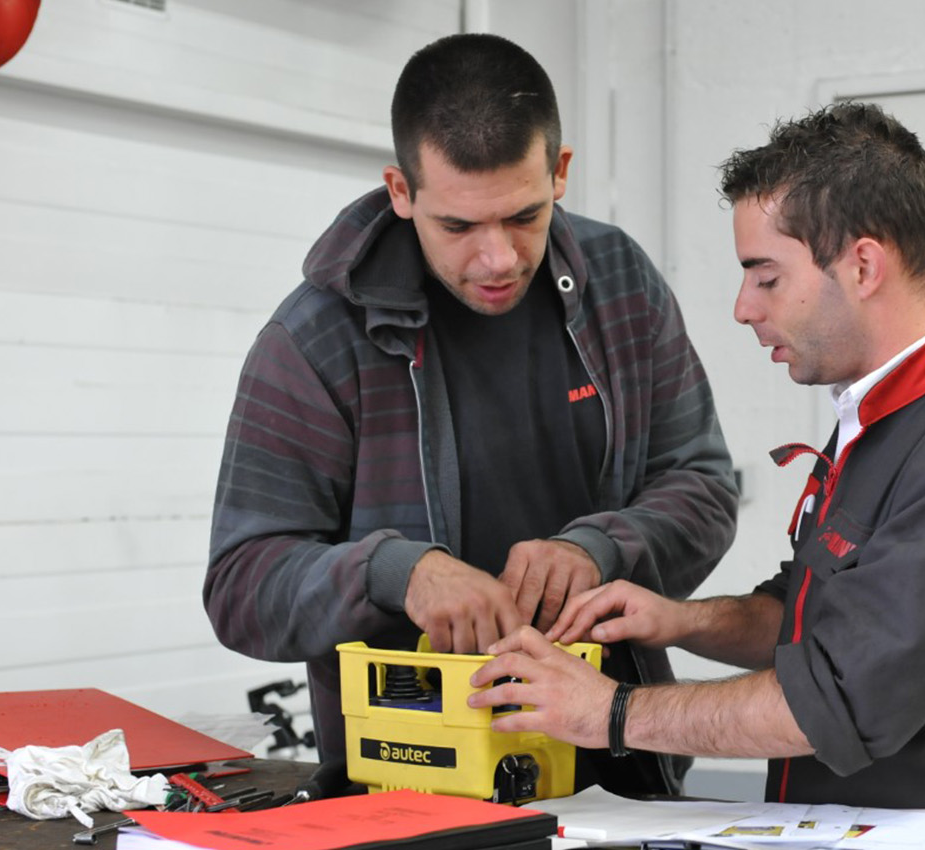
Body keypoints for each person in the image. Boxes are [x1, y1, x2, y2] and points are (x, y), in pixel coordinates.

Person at [467, 101, 925, 809]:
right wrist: (676, 619)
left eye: (766, 277)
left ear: (864, 266)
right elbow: (808, 621)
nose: (743, 308)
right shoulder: (881, 422)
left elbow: (829, 702)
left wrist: (608, 712)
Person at [203, 33, 738, 798]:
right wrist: (398, 572)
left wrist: (599, 548)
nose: (497, 259)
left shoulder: (619, 281)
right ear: (400, 190)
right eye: (458, 227)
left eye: (524, 216)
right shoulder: (315, 341)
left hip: (621, 772)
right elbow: (240, 585)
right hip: (404, 791)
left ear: (560, 171)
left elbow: (703, 486)